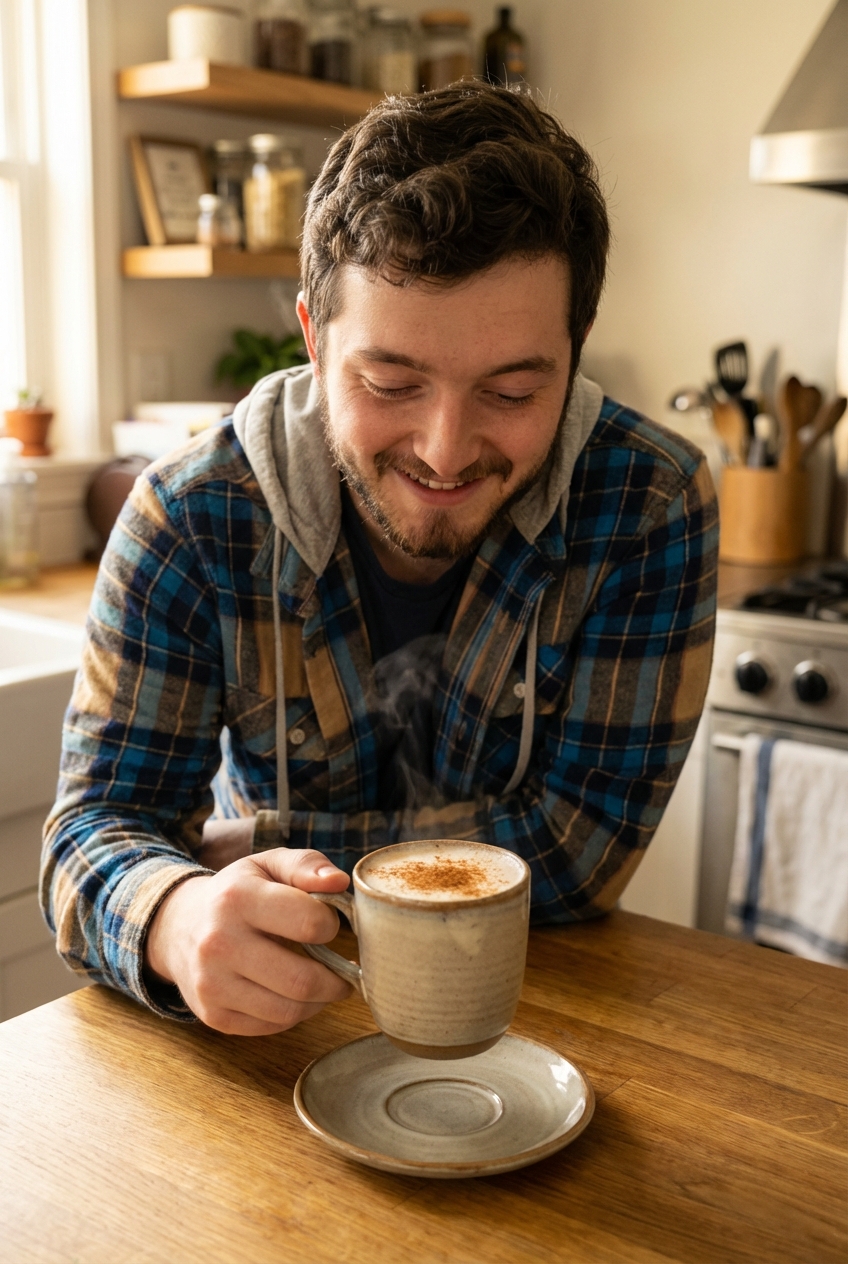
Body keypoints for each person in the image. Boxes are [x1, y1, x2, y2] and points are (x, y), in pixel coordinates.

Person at [42, 83, 717, 1036]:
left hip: (548, 1013)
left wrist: (248, 844)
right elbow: (90, 837)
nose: (446, 451)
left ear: (574, 352)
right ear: (314, 340)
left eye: (514, 391)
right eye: (391, 382)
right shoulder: (192, 514)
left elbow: (579, 854)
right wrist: (177, 911)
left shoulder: (649, 502)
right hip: (275, 1018)